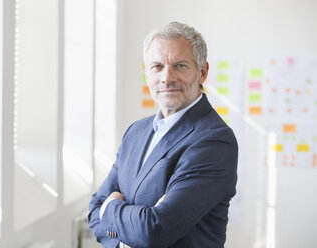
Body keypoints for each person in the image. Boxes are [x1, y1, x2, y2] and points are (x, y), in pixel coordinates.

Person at [88, 22, 238, 248]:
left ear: (202, 72)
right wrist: (132, 232)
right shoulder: (135, 132)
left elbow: (155, 230)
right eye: (157, 66)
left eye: (179, 65)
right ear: (146, 72)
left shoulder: (214, 141)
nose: (167, 78)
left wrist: (110, 209)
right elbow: (93, 211)